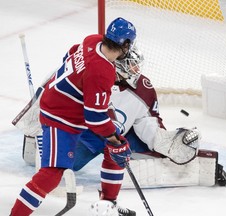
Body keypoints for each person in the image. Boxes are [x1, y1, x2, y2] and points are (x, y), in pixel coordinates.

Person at [10, 17, 137, 216]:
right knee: (52, 174)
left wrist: (81, 88)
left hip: (74, 111)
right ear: (126, 44)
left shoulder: (93, 40)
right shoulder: (102, 71)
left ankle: (108, 207)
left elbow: (69, 53)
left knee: (115, 149)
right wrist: (114, 138)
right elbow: (94, 117)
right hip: (58, 116)